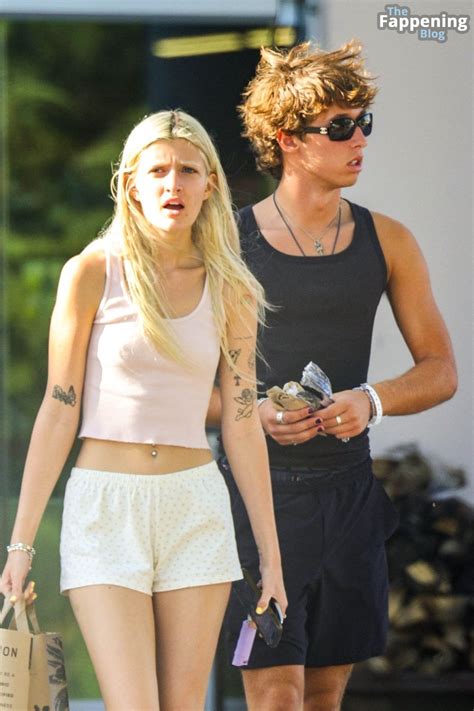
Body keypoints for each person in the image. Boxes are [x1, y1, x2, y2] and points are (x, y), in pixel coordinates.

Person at [0, 109, 287, 710]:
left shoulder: (231, 286)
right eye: (157, 171)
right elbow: (59, 409)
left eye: (188, 171)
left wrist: (271, 555)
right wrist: (20, 546)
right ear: (131, 183)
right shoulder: (91, 272)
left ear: (210, 184)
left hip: (196, 509)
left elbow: (241, 422)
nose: (172, 184)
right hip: (105, 509)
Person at [210, 41, 457, 711]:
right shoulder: (229, 243)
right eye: (339, 127)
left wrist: (371, 400)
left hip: (350, 499)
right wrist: (254, 412)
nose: (359, 140)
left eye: (363, 122)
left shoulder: (390, 240)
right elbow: (180, 387)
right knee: (277, 696)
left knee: (322, 699)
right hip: (257, 501)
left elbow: (441, 371)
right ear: (288, 139)